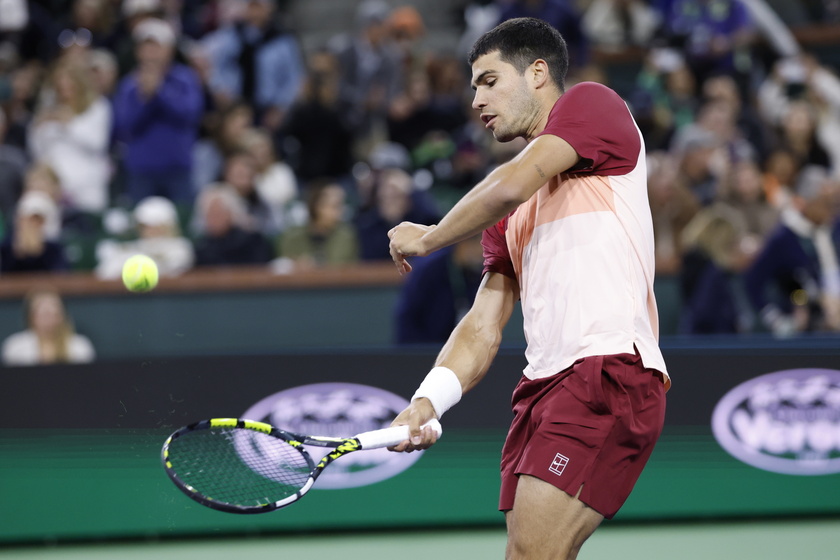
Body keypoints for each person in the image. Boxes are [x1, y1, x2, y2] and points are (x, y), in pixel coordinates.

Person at [386, 18, 669, 559]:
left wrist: (432, 237)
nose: (475, 100)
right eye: (473, 86)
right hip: (542, 388)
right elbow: (482, 326)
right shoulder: (506, 213)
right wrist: (427, 402)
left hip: (605, 370)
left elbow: (513, 181)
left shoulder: (593, 103)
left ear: (538, 73)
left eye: (489, 81)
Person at [112, 17, 204, 205]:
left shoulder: (185, 78)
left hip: (178, 169)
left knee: (182, 222)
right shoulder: (129, 85)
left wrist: (160, 92)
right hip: (141, 171)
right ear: (138, 51)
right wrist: (145, 99)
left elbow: (190, 114)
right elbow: (124, 127)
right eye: (146, 47)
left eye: (157, 47)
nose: (151, 53)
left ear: (169, 50)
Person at [278, 178, 359, 270]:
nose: (340, 212)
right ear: (316, 207)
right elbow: (282, 268)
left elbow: (351, 271)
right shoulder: (292, 237)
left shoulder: (346, 237)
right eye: (335, 206)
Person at [2, 287, 95, 366]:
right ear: (31, 316)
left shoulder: (79, 346)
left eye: (54, 313)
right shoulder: (16, 347)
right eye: (44, 314)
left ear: (62, 316)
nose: (49, 319)